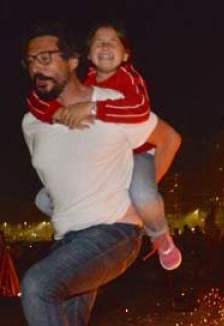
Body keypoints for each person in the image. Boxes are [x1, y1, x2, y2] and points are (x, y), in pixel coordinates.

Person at [1, 23, 181, 326]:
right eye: (31, 60)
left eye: (47, 56)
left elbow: (170, 141)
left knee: (39, 284)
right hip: (70, 241)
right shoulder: (31, 122)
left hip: (114, 234)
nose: (38, 66)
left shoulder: (115, 104)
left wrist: (137, 199)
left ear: (73, 61)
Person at [27, 22, 182, 271]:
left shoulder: (130, 79)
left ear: (126, 55)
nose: (106, 46)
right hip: (104, 164)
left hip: (136, 153)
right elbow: (35, 100)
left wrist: (93, 108)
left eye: (113, 42)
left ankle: (160, 236)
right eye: (99, 42)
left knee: (143, 196)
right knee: (43, 200)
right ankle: (93, 218)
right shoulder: (86, 82)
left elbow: (139, 110)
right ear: (88, 55)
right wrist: (58, 113)